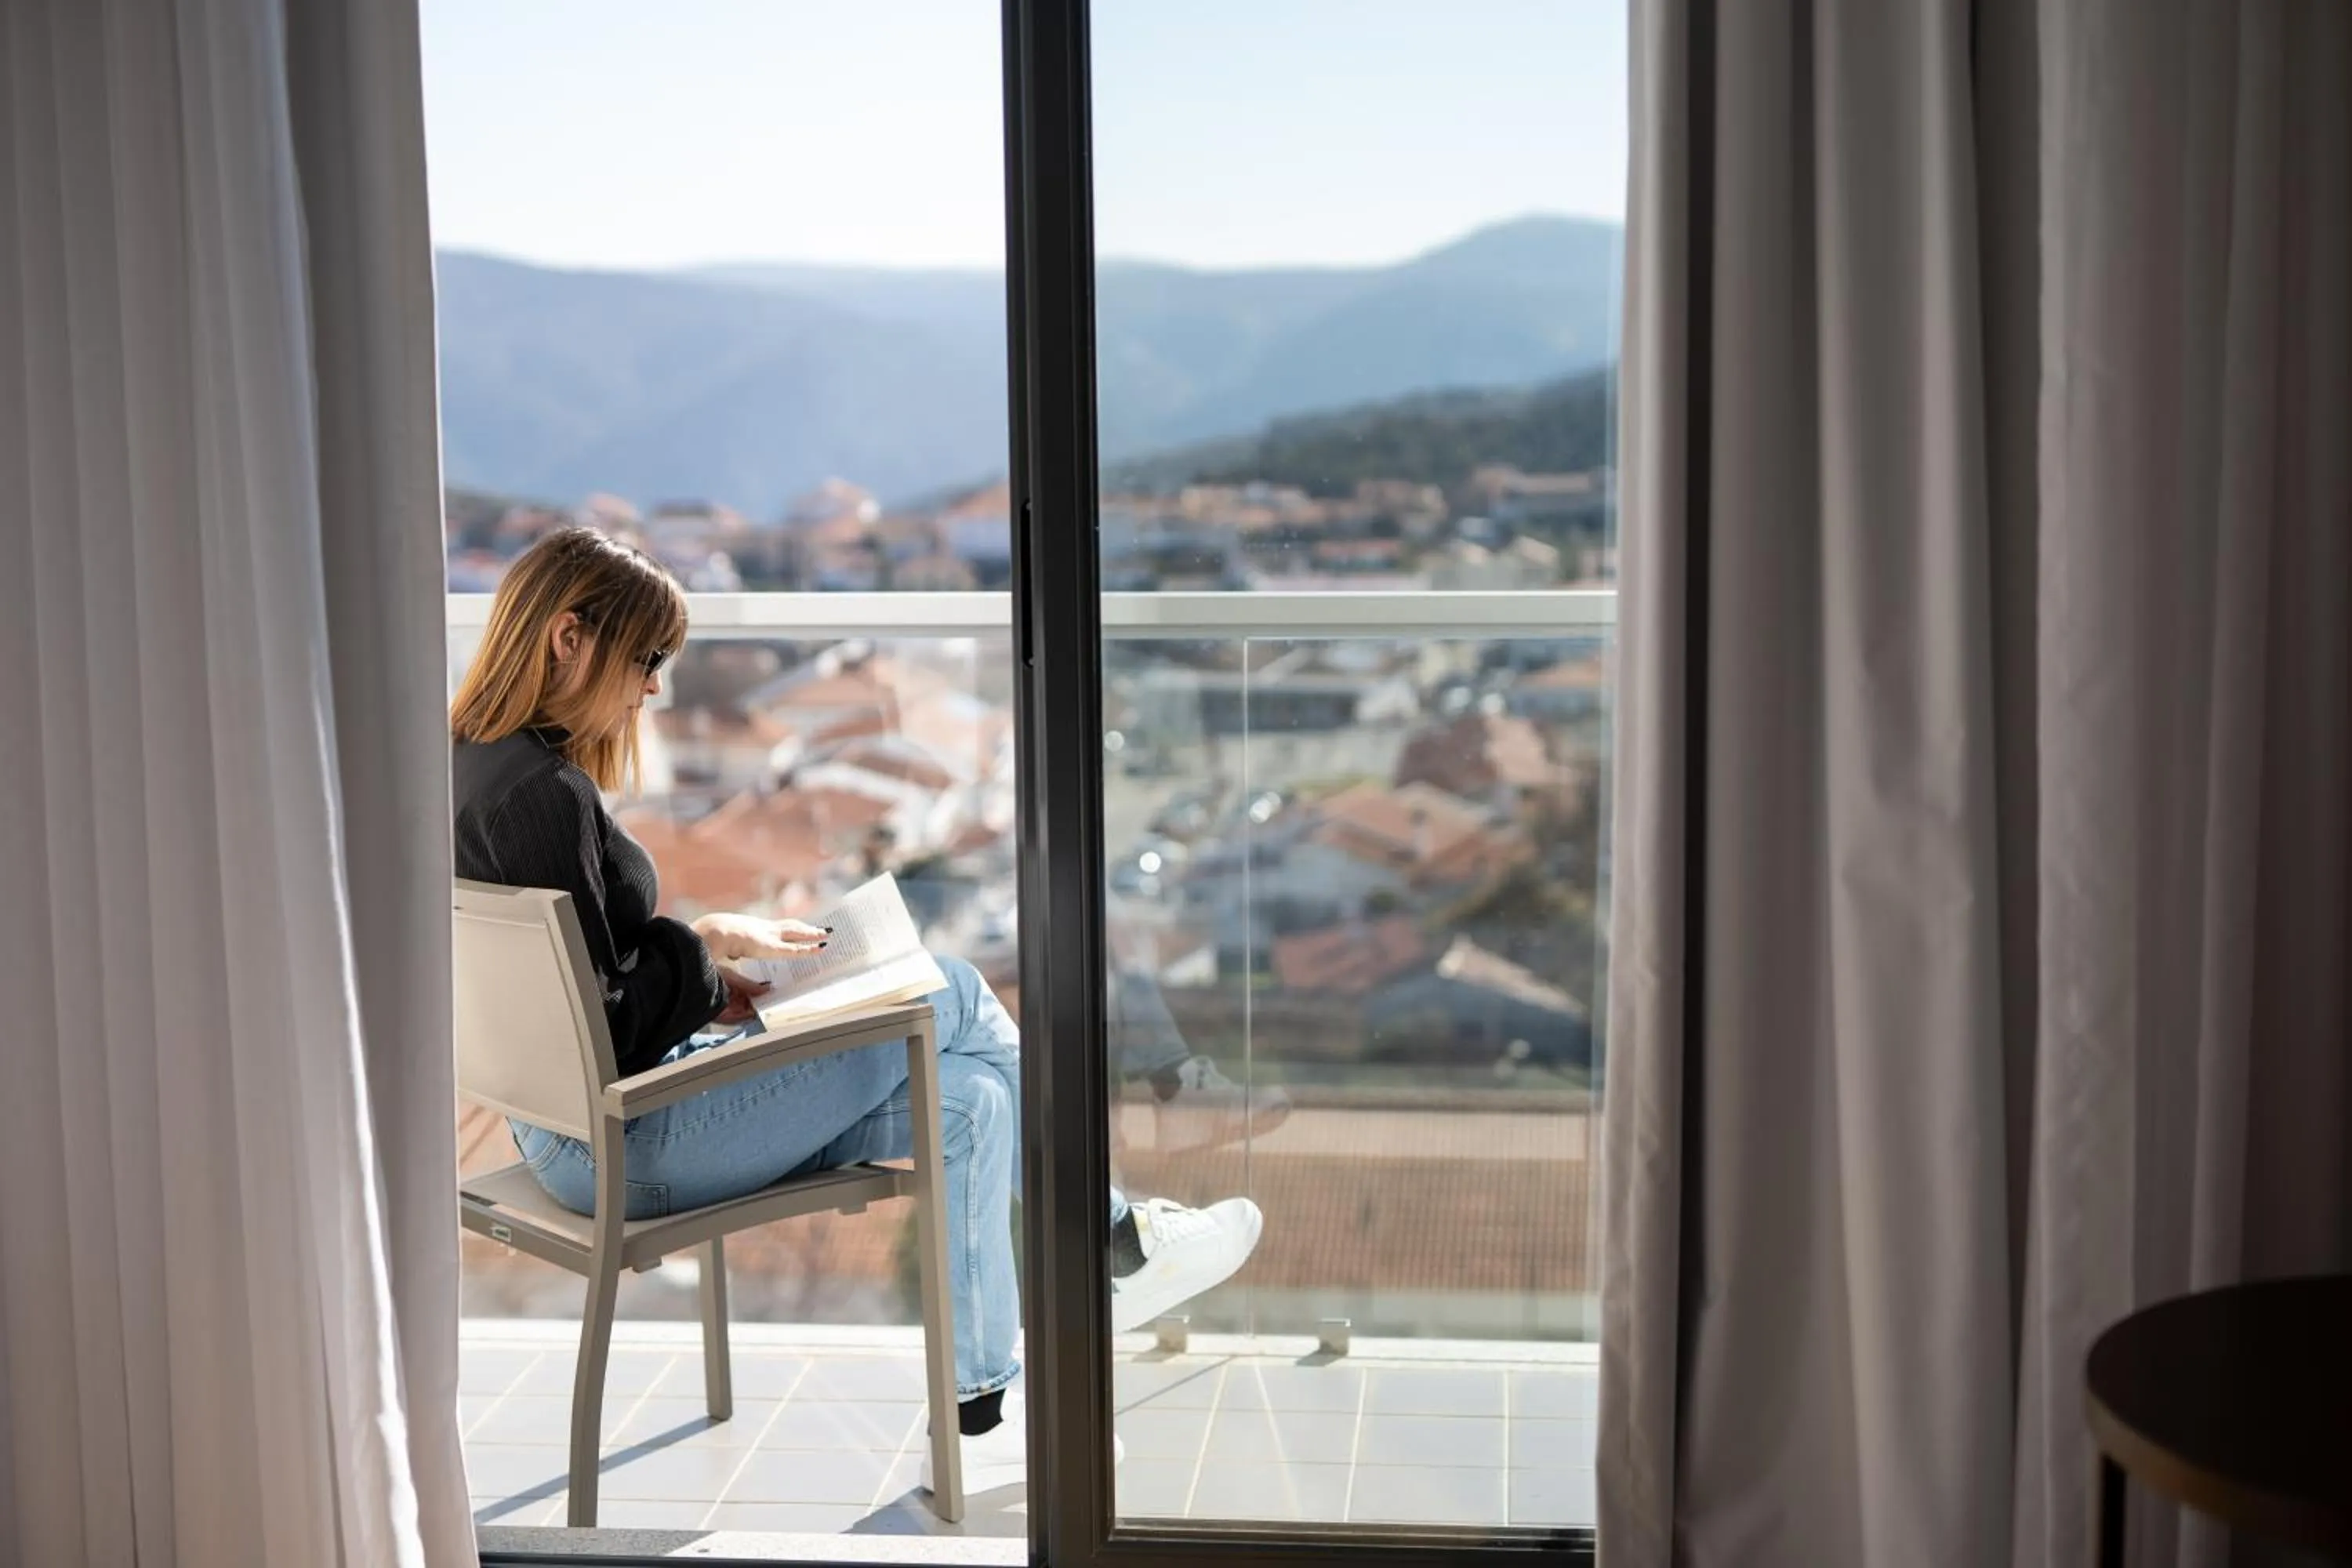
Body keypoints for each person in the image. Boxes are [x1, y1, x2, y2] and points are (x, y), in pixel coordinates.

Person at [450, 528, 1264, 1493]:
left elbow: (581, 981)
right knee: (953, 989)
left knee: (969, 1101)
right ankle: (1115, 1241)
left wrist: (710, 951)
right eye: (648, 658)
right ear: (569, 637)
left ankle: (979, 1411)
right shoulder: (545, 794)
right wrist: (705, 960)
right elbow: (613, 1022)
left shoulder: (472, 761)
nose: (655, 689)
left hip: (577, 1130)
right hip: (626, 1144)